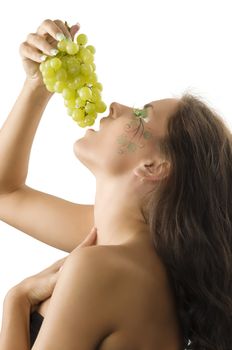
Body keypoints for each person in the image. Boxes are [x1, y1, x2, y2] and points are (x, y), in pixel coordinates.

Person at [0, 18, 231, 350]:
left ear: (153, 166)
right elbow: (5, 193)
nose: (115, 106)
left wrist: (17, 301)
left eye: (140, 115)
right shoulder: (123, 245)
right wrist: (37, 86)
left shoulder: (100, 267)